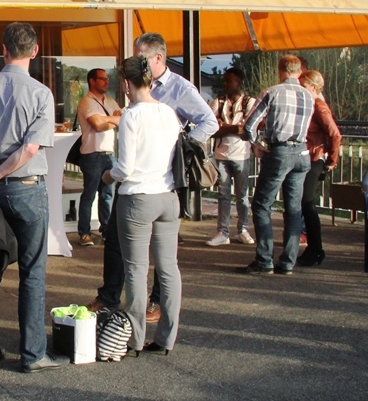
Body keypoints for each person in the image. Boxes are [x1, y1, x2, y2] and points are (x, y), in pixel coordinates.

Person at [88, 33, 216, 322]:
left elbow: (210, 121)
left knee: (162, 255)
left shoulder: (181, 89)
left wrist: (180, 149)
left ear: (158, 58)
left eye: (141, 58)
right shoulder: (140, 88)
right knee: (117, 240)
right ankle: (110, 296)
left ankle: (154, 305)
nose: (137, 63)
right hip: (137, 179)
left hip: (164, 178)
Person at [0, 22, 67, 372]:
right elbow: (30, 148)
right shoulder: (41, 93)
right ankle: (32, 354)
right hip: (26, 188)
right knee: (32, 272)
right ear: (34, 51)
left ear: (3, 50)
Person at [101, 55, 182, 355]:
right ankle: (166, 338)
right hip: (168, 196)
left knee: (136, 270)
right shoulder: (168, 113)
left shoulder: (131, 117)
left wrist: (108, 176)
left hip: (137, 198)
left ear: (125, 83)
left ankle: (135, 339)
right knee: (168, 269)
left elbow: (125, 167)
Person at [241, 55, 314, 275]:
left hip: (280, 151)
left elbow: (248, 126)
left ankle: (264, 261)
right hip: (302, 152)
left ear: (280, 70)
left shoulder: (272, 92)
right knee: (293, 209)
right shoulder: (309, 96)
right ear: (299, 71)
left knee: (262, 205)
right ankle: (288, 262)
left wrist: (256, 145)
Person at [206, 68, 257, 247]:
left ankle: (243, 229)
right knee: (223, 194)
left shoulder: (250, 103)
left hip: (242, 155)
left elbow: (249, 129)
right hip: (221, 155)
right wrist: (236, 127)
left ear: (239, 82)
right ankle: (223, 231)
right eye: (225, 81)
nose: (225, 84)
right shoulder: (216, 103)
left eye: (230, 81)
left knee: (242, 195)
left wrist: (225, 126)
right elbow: (212, 129)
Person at [297, 69, 342, 266]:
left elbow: (335, 134)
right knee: (304, 203)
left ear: (313, 88)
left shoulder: (318, 106)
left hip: (314, 158)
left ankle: (315, 249)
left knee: (306, 203)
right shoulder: (311, 104)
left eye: (303, 86)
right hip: (310, 157)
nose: (299, 89)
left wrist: (332, 160)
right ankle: (314, 248)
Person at [75, 68, 121, 246]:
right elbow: (97, 125)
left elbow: (117, 121)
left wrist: (107, 120)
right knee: (89, 194)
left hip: (109, 154)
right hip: (92, 154)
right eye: (102, 79)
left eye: (107, 78)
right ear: (92, 81)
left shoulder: (110, 101)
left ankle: (106, 229)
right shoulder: (87, 102)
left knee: (108, 195)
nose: (106, 82)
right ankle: (84, 232)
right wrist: (113, 119)